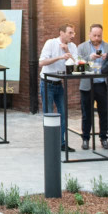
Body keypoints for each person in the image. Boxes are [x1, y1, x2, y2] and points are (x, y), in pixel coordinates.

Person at [39, 24, 76, 152]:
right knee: (49, 114)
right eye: (70, 33)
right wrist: (60, 57)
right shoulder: (50, 43)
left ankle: (61, 143)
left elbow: (77, 65)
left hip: (59, 84)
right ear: (61, 33)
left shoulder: (72, 46)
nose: (73, 35)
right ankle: (50, 144)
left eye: (73, 33)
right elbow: (41, 62)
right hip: (47, 83)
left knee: (63, 113)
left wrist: (67, 52)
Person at [76, 24, 108, 150]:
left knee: (104, 112)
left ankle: (104, 138)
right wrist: (88, 58)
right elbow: (77, 67)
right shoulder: (81, 47)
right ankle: (85, 138)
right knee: (86, 113)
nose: (96, 38)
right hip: (87, 84)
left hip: (102, 84)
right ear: (89, 34)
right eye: (94, 35)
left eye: (99, 36)